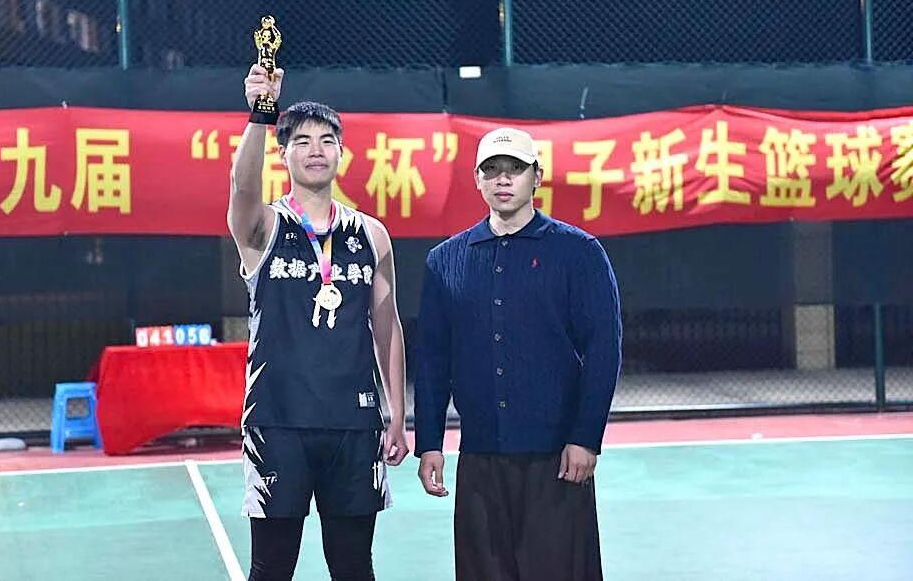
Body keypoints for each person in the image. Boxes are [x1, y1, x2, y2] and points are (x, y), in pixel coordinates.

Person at [414, 127, 622, 580]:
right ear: (477, 179)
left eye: (515, 169)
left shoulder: (579, 252)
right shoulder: (445, 261)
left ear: (537, 177)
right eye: (491, 170)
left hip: (556, 458)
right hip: (481, 457)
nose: (503, 179)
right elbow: (432, 359)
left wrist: (586, 437)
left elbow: (603, 351)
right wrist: (429, 442)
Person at [229, 64, 409, 581]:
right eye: (302, 141)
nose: (316, 150)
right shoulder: (263, 227)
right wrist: (261, 113)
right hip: (277, 421)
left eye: (327, 141)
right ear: (283, 153)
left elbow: (387, 325)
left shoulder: (370, 234)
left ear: (341, 154)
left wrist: (398, 414)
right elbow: (241, 186)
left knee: (353, 565)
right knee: (272, 567)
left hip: (354, 423)